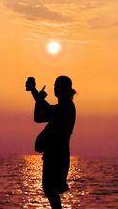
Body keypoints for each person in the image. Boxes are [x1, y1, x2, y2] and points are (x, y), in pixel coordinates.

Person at [25, 76, 76, 209]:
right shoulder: (60, 108)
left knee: (51, 189)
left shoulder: (67, 108)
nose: (54, 88)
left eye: (57, 85)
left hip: (58, 156)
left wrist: (35, 92)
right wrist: (36, 97)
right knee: (49, 189)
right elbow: (38, 117)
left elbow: (48, 109)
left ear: (63, 89)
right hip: (50, 155)